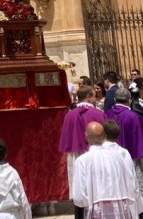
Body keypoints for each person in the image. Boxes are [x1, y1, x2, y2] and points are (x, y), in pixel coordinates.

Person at [72, 121, 140, 219]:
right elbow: (129, 185)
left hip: (96, 213)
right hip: (121, 212)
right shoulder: (118, 157)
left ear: (86, 136)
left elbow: (79, 198)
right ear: (104, 136)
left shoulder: (82, 161)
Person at [58, 84, 104, 218]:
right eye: (94, 96)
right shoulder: (97, 113)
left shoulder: (69, 115)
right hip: (94, 154)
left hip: (75, 156)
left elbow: (66, 139)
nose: (95, 98)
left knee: (78, 184)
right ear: (89, 97)